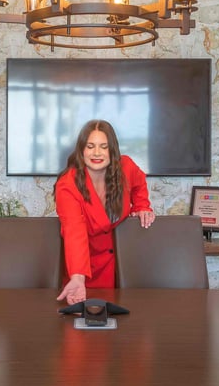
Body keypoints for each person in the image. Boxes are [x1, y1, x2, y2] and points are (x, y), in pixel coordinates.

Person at [55, 120, 154, 304]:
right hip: (86, 271)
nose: (97, 153)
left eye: (103, 147)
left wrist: (142, 206)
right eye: (90, 146)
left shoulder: (126, 167)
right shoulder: (67, 186)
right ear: (81, 150)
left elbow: (139, 184)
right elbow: (74, 232)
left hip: (123, 267)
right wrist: (77, 278)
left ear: (112, 150)